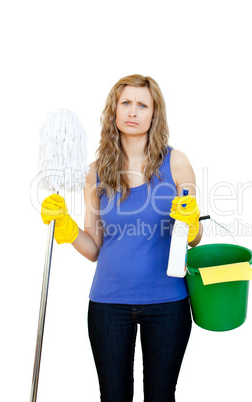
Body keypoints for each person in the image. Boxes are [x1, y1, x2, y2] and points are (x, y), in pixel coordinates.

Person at [41, 74, 202, 402]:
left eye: (142, 105)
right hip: (108, 304)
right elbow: (93, 247)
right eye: (125, 103)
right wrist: (67, 227)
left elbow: (194, 239)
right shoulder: (96, 171)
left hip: (168, 302)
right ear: (113, 111)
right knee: (113, 398)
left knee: (160, 397)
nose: (133, 111)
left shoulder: (177, 163)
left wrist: (191, 221)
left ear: (154, 113)